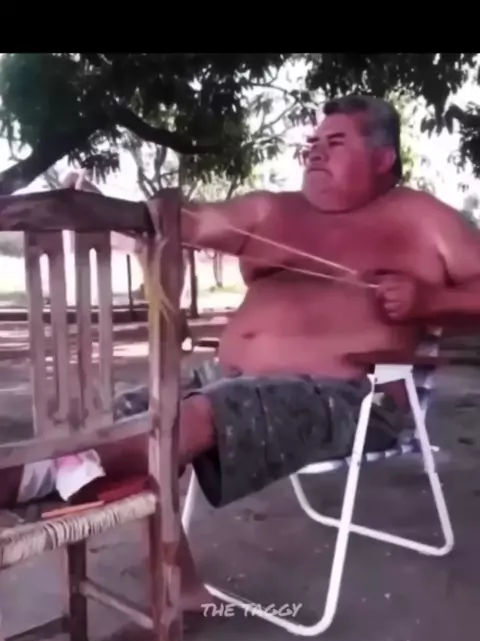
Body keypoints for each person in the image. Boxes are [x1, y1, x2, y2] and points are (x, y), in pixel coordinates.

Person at [3, 94, 480, 614]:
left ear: (382, 157)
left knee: (189, 418)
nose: (314, 152)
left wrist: (432, 301)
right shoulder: (274, 210)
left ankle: (29, 477)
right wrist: (111, 210)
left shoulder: (423, 219)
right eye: (312, 143)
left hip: (353, 398)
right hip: (225, 378)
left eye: (335, 142)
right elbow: (184, 222)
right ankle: (176, 586)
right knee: (109, 417)